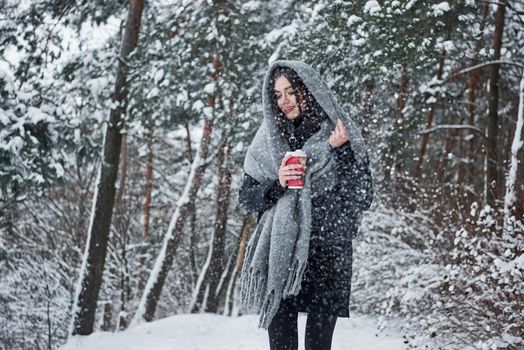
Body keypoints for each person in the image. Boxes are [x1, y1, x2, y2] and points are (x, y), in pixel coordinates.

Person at [238, 60, 373, 350]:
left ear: (308, 89)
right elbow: (246, 197)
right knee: (282, 345)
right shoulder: (268, 139)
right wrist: (278, 185)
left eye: (290, 91)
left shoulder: (339, 131)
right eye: (277, 94)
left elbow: (362, 197)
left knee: (318, 345)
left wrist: (343, 153)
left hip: (329, 251)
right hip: (283, 251)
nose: (283, 101)